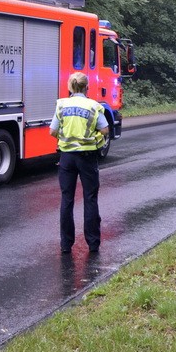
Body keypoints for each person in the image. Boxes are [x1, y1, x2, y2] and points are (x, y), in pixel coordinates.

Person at [50, 72, 108, 254]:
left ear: (70, 87)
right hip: (87, 157)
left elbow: (52, 131)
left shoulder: (61, 105)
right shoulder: (93, 106)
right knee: (90, 198)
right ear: (86, 87)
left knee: (67, 199)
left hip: (67, 158)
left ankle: (66, 244)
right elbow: (105, 129)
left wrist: (65, 138)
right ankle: (93, 243)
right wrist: (95, 138)